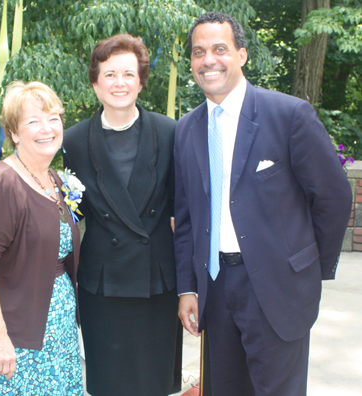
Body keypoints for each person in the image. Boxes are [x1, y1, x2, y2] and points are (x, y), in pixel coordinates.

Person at [174, 12, 352, 396]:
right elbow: (186, 217)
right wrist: (187, 288)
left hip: (276, 290)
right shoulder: (187, 129)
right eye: (199, 52)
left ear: (241, 54)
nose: (209, 60)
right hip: (216, 290)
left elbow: (334, 198)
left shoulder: (288, 115)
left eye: (220, 49)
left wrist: (306, 268)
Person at [63, 34, 181, 396]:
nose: (119, 83)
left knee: (153, 381)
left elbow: (183, 210)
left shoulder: (171, 131)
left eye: (128, 74)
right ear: (95, 83)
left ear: (142, 80)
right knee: (109, 381)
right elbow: (72, 214)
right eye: (110, 74)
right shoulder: (73, 140)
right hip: (103, 284)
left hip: (156, 283)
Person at [0, 81, 84, 395]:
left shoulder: (53, 179)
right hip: (10, 337)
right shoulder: (2, 183)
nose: (47, 128)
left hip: (55, 335)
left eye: (53, 119)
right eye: (33, 121)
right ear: (13, 133)